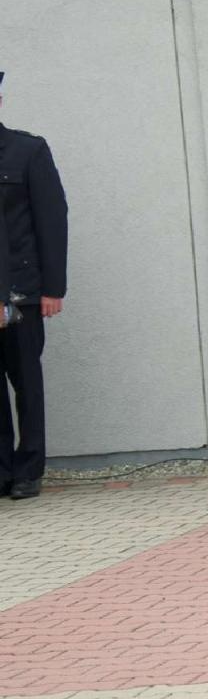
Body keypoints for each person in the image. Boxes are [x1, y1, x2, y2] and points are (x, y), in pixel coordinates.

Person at [0, 72, 69, 501]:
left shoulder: (28, 151)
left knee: (26, 381)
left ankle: (29, 468)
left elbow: (51, 220)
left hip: (21, 293)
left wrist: (52, 289)